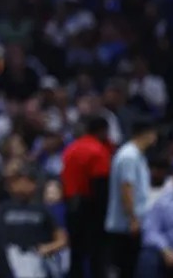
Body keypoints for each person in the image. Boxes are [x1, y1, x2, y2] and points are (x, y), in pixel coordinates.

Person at [0, 166, 68, 278]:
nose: (23, 185)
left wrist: (48, 248)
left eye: (28, 181)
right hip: (9, 258)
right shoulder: (1, 209)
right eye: (19, 180)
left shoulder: (43, 210)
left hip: (36, 259)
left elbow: (62, 239)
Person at [60, 116, 112, 278]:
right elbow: (100, 184)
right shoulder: (98, 150)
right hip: (91, 208)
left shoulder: (71, 148)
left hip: (71, 206)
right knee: (97, 256)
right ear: (103, 131)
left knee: (76, 255)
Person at [105, 118, 158, 278]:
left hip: (133, 223)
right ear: (146, 134)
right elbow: (126, 188)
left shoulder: (137, 154)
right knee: (126, 269)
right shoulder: (129, 156)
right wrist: (133, 219)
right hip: (126, 225)